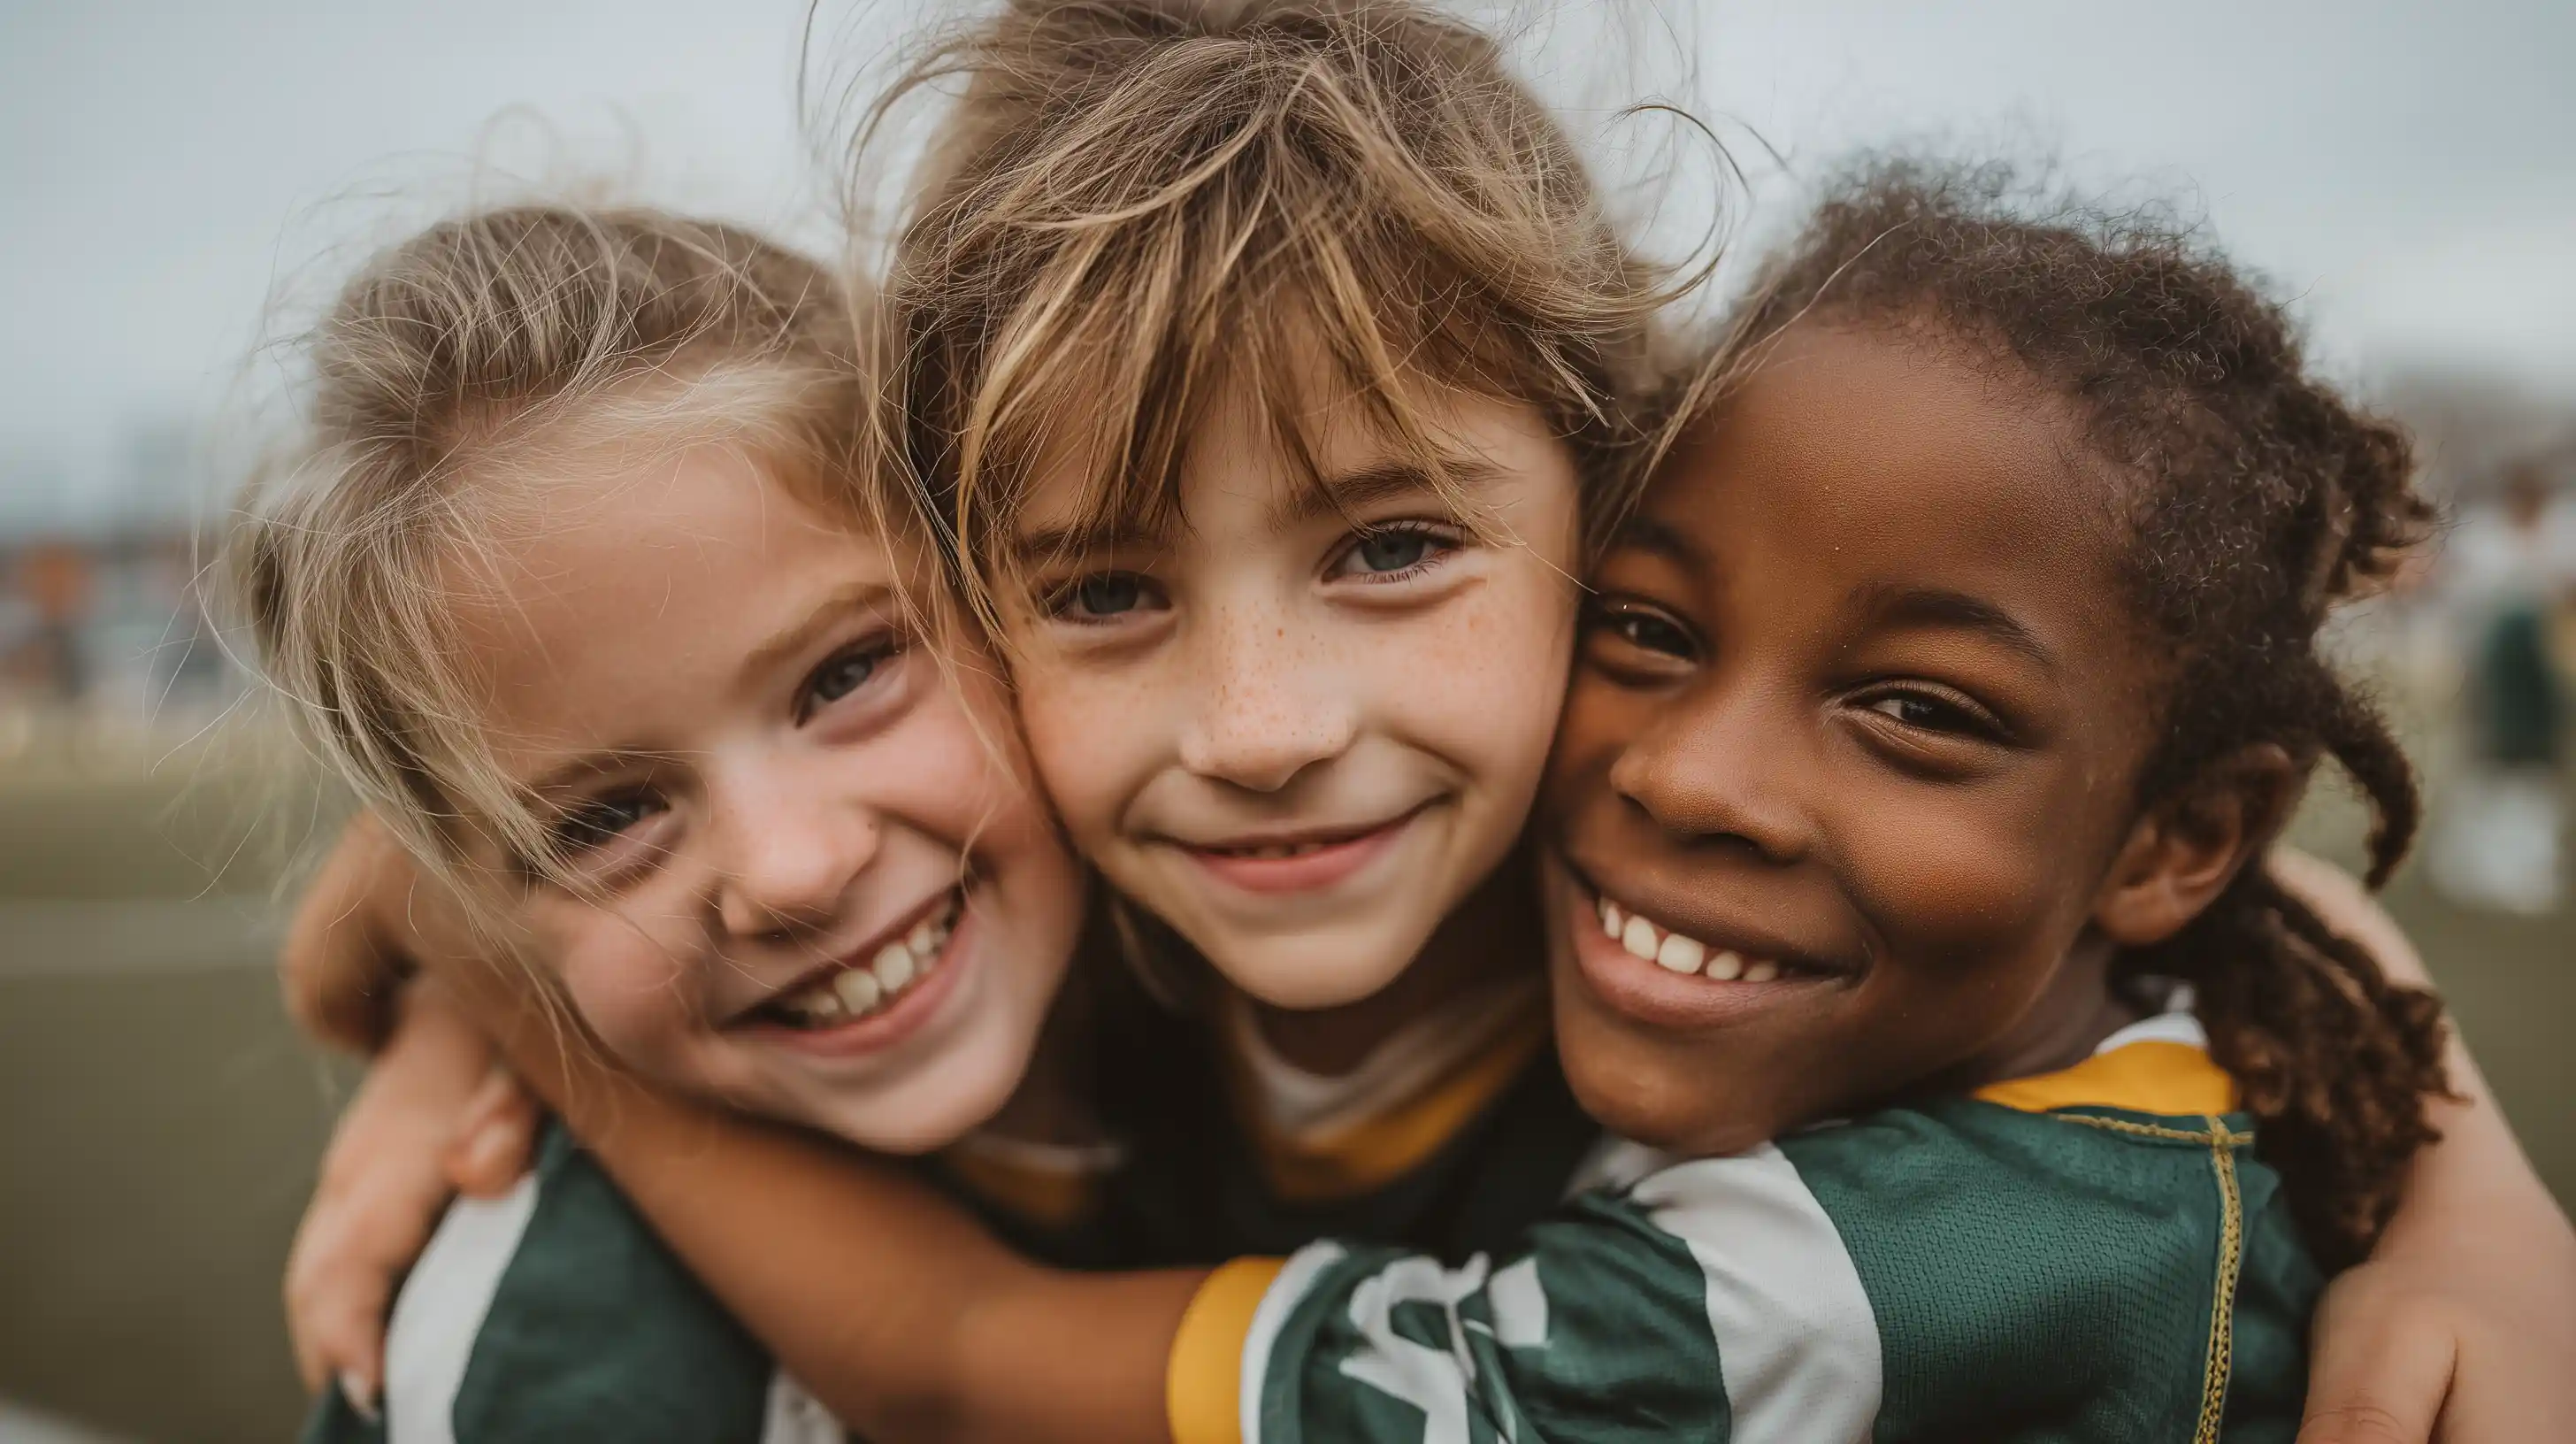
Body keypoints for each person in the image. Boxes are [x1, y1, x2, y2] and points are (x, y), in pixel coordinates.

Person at [280, 4, 2576, 1439]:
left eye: (1392, 549)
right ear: (977, 587)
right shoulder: (1079, 907)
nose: (1266, 727)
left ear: (1607, 516)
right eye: (1099, 592)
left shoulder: (1676, 872)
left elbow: (2184, 881)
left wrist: (2474, 1197)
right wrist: (483, 927)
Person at [228, 204, 1108, 1440]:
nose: (790, 871)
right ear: (480, 903)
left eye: (846, 676)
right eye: (605, 820)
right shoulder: (541, 1359)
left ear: (989, 569)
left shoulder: (1307, 896)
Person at [2427, 462, 2572, 914]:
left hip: (2541, 677)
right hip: (2487, 673)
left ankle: (2525, 868)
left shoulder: (2564, 531)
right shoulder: (2483, 539)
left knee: (2531, 776)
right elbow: (2458, 604)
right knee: (2483, 770)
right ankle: (2467, 866)